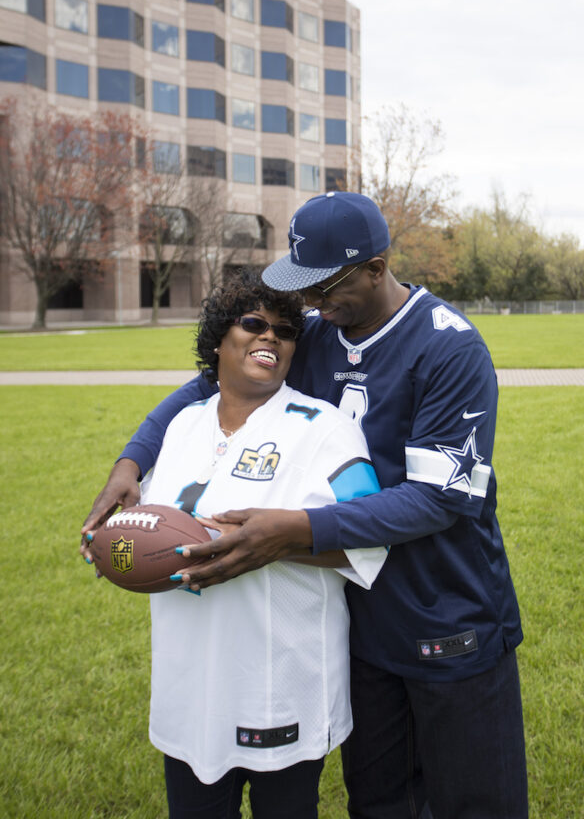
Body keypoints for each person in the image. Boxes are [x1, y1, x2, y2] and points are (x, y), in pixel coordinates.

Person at [82, 192, 528, 819]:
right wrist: (131, 465)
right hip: (360, 611)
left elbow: (437, 500)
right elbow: (203, 387)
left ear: (376, 266)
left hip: (444, 606)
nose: (311, 301)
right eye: (304, 285)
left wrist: (295, 530)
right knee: (378, 800)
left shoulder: (449, 347)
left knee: (472, 802)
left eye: (326, 284)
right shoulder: (318, 334)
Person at [85, 269, 386, 819]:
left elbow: (369, 539)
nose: (271, 336)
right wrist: (113, 548)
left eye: (285, 330)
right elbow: (150, 531)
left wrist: (275, 542)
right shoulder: (182, 426)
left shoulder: (325, 428)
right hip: (189, 689)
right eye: (254, 324)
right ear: (219, 340)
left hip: (280, 686)